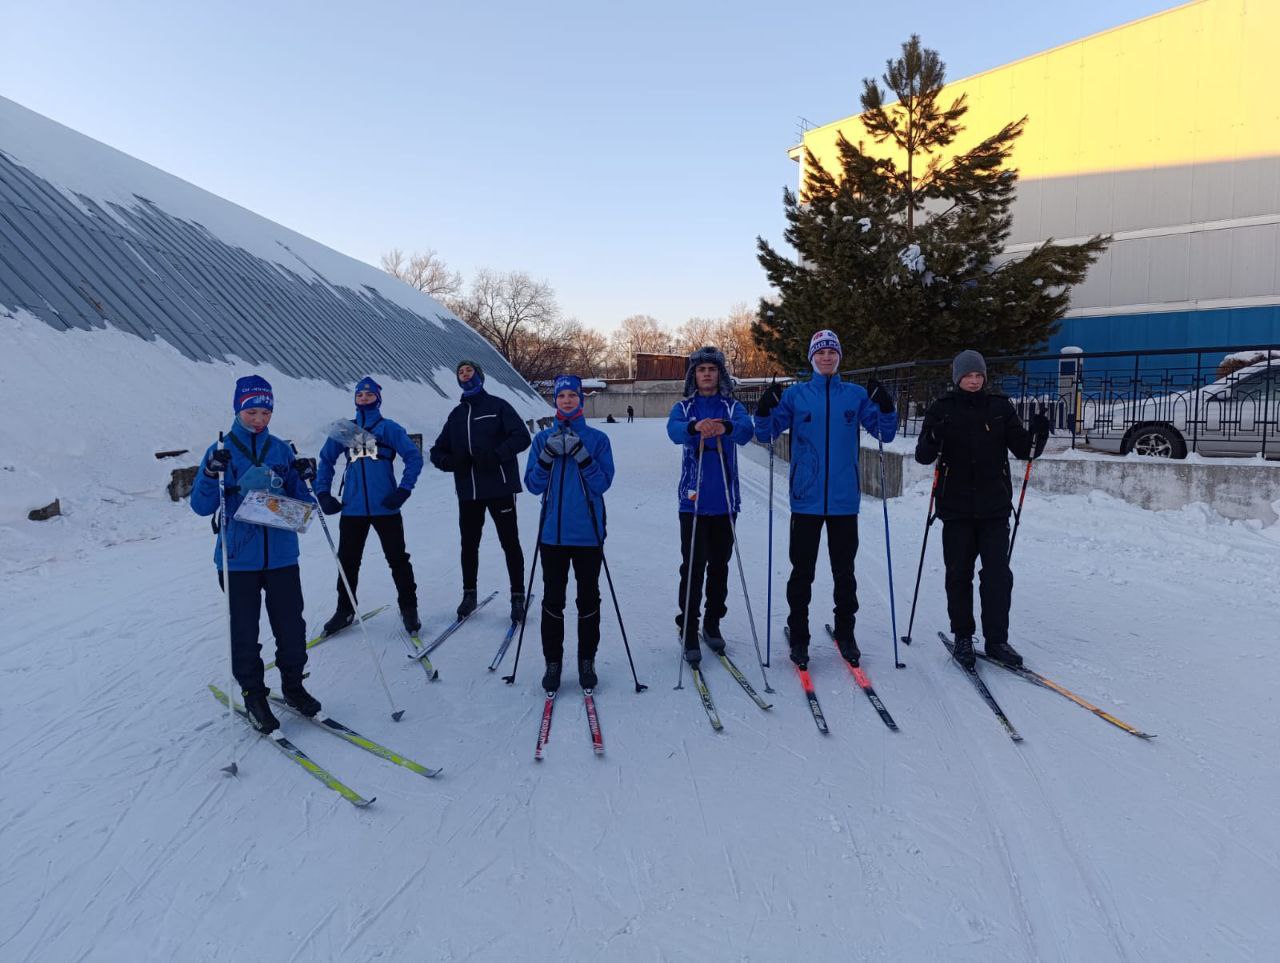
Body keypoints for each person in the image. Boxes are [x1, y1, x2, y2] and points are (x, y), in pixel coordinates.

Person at [753, 329, 897, 669]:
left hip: (844, 500)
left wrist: (886, 406)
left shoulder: (855, 395)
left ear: (839, 357)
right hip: (806, 499)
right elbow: (765, 433)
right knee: (802, 572)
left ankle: (846, 632)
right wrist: (763, 409)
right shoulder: (797, 395)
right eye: (820, 352)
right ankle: (799, 635)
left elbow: (885, 432)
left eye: (832, 352)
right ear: (812, 358)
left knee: (844, 572)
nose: (827, 357)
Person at [191, 375, 321, 733]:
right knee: (245, 632)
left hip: (282, 556)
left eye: (265, 412)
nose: (259, 419)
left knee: (292, 628)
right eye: (252, 412)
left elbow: (303, 504)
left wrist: (307, 478)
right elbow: (201, 506)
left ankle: (293, 686)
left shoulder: (281, 449)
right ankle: (254, 695)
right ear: (238, 409)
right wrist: (210, 473)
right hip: (237, 559)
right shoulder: (221, 450)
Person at [914, 350, 1051, 670]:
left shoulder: (1000, 407)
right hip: (955, 507)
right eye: (968, 376)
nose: (974, 381)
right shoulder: (942, 408)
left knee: (997, 576)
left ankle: (997, 640)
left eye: (979, 375)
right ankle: (963, 636)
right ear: (957, 378)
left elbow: (1024, 450)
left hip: (994, 507)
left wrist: (1038, 434)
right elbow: (923, 455)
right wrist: (934, 434)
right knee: (958, 574)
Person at [524, 374, 616, 692]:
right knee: (553, 601)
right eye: (561, 396)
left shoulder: (598, 439)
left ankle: (586, 660)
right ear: (555, 401)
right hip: (552, 535)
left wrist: (582, 455)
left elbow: (602, 483)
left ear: (581, 400)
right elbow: (532, 485)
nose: (567, 400)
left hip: (588, 533)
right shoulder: (542, 440)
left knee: (588, 599)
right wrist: (547, 458)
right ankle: (553, 662)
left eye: (572, 396)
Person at [314, 377, 424, 636]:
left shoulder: (388, 428)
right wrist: (323, 493)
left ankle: (409, 608)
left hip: (386, 506)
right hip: (353, 508)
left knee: (398, 559)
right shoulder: (346, 429)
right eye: (359, 395)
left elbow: (413, 457)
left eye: (369, 394)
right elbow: (326, 460)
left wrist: (404, 490)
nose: (364, 398)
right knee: (348, 562)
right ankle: (345, 610)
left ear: (378, 398)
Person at [666, 346, 753, 665]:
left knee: (719, 566)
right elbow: (674, 431)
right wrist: (695, 427)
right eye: (701, 369)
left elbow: (746, 431)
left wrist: (725, 427)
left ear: (720, 374)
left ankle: (713, 622)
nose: (706, 374)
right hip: (692, 502)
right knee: (692, 567)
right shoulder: (684, 407)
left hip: (725, 501)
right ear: (694, 375)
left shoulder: (732, 407)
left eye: (712, 369)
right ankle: (688, 626)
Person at [429, 360, 532, 622]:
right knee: (469, 544)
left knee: (509, 542)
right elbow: (436, 451)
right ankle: (469, 594)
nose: (465, 374)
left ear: (479, 376)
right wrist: (451, 462)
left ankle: (517, 596)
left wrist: (497, 455)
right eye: (460, 372)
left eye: (469, 370)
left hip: (500, 488)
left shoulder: (498, 406)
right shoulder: (456, 415)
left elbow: (522, 437)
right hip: (469, 492)